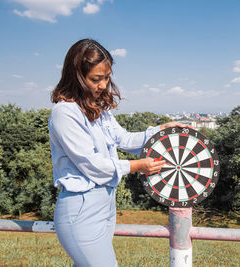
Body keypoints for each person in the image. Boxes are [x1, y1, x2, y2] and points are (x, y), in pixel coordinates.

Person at [48, 38, 190, 267]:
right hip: (81, 210)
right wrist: (136, 166)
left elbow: (125, 139)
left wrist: (161, 130)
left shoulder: (97, 111)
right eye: (96, 78)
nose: (104, 85)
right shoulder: (64, 113)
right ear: (76, 76)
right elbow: (91, 164)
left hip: (106, 206)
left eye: (107, 77)